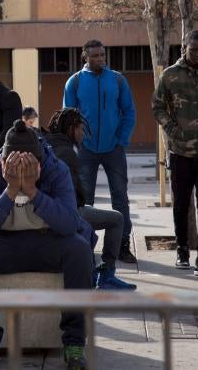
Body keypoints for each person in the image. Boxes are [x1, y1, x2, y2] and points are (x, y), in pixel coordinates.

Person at [0, 120, 92, 370]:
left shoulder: (56, 169)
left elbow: (68, 224)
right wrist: (10, 190)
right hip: (6, 244)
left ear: (40, 162)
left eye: (29, 166)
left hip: (48, 241)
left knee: (79, 249)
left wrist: (33, 191)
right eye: (13, 165)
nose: (21, 170)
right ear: (3, 161)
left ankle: (74, 343)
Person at [44, 108, 136, 290]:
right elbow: (74, 196)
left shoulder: (47, 144)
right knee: (117, 219)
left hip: (50, 209)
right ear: (71, 128)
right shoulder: (67, 153)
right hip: (65, 212)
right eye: (80, 129)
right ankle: (106, 274)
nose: (83, 134)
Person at [63, 39, 137, 263]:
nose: (100, 59)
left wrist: (121, 140)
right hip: (85, 151)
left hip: (114, 149)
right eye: (95, 56)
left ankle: (122, 246)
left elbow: (129, 112)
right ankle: (85, 245)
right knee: (85, 200)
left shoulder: (117, 79)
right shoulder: (74, 82)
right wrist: (77, 144)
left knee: (120, 198)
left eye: (102, 55)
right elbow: (67, 118)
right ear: (84, 56)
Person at [152, 30, 198, 276]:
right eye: (195, 50)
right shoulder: (170, 75)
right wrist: (172, 129)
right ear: (185, 49)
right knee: (180, 205)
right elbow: (157, 106)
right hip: (180, 153)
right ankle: (182, 250)